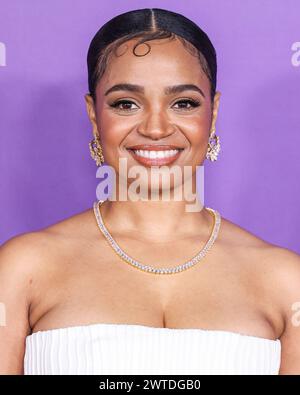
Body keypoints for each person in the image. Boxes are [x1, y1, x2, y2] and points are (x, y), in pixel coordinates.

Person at [0, 7, 300, 375]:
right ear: (94, 115)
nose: (156, 128)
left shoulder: (286, 281)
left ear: (214, 112)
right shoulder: (23, 269)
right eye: (126, 103)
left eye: (183, 103)